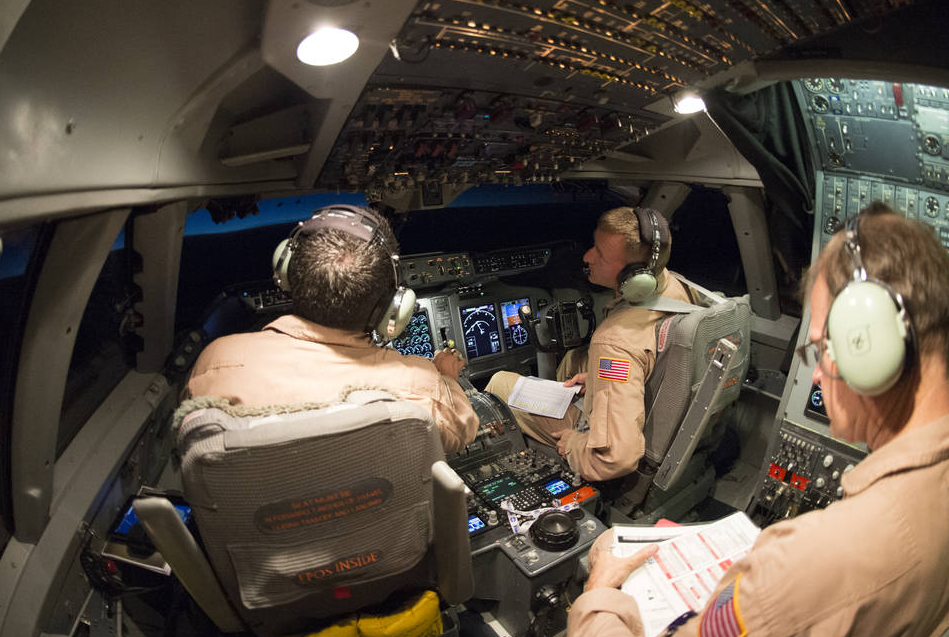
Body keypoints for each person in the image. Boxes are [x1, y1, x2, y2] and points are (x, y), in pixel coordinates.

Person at [567, 203, 949, 637]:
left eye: (819, 349)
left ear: (867, 346)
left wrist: (600, 591)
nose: (815, 376)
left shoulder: (811, 564)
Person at [185, 204, 478, 453]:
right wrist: (447, 378)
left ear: (285, 274)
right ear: (392, 308)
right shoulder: (420, 387)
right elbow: (463, 431)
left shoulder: (217, 364)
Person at [486, 206, 695, 481]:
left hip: (611, 437)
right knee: (573, 360)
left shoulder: (614, 342)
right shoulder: (674, 287)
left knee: (499, 383)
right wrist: (599, 379)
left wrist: (573, 443)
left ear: (634, 274)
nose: (587, 256)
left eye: (600, 252)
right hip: (658, 407)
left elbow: (616, 457)